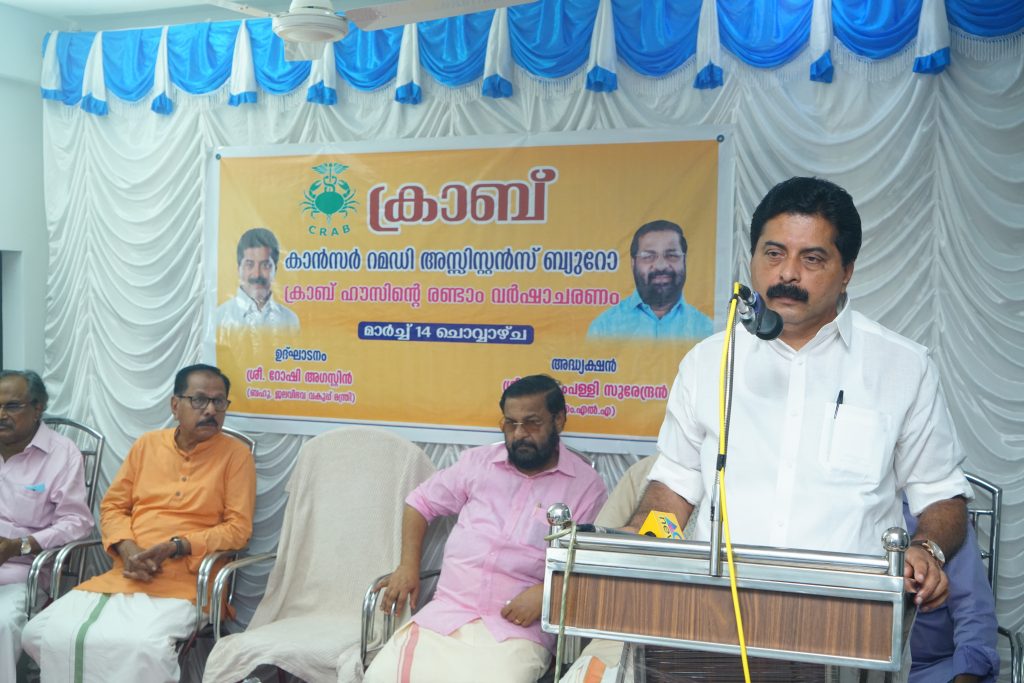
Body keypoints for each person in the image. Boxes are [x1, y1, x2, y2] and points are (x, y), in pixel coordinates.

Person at [630, 177, 972, 617]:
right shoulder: (708, 362)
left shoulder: (904, 367)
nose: (787, 273)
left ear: (847, 271)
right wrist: (642, 540)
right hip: (716, 615)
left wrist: (927, 549)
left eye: (811, 259)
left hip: (850, 618)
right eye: (773, 254)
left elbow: (942, 493)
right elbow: (674, 486)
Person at [363, 375, 608, 683]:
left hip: (515, 629)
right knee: (379, 677)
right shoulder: (478, 463)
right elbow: (419, 503)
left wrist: (549, 592)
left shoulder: (585, 487)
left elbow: (591, 563)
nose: (519, 434)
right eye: (510, 423)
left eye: (532, 423)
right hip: (445, 616)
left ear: (559, 420)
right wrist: (408, 566)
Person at [22, 364, 256, 683]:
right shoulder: (147, 445)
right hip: (128, 571)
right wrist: (128, 549)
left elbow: (238, 530)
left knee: (142, 646)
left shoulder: (236, 456)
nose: (211, 410)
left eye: (219, 402)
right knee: (40, 632)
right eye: (200, 400)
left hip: (190, 581)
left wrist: (176, 546)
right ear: (175, 405)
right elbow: (113, 506)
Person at [0, 370, 93, 682]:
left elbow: (77, 522)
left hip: (22, 572)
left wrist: (20, 545)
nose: (1, 415)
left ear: (38, 407)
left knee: (2, 623)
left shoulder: (62, 453)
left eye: (12, 406)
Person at [904, 501, 1000, 683]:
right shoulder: (853, 512)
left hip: (933, 670)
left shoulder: (944, 515)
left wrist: (966, 674)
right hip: (858, 664)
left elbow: (974, 612)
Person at [587, 220, 713, 339]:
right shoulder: (604, 328)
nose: (661, 266)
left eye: (671, 255)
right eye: (648, 256)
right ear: (633, 263)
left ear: (684, 261)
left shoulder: (708, 329)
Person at [216, 227, 300, 331]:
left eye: (265, 265)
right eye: (249, 264)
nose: (257, 274)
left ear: (275, 269)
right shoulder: (219, 317)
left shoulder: (290, 320)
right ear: (238, 269)